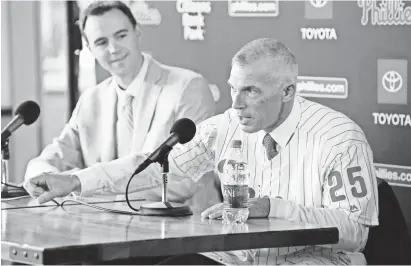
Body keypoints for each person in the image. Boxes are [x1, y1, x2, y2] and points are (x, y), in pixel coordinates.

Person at [24, 38, 379, 265]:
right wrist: (74, 181)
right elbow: (154, 166)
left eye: (251, 91)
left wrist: (274, 208)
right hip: (238, 257)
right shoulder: (225, 126)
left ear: (287, 91)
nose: (235, 104)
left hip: (310, 260)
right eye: (232, 89)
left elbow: (355, 232)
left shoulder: (339, 137)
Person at [24, 1, 218, 206]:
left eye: (121, 35)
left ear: (137, 32)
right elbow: (51, 158)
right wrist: (44, 178)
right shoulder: (91, 99)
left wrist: (81, 183)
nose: (113, 49)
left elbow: (184, 180)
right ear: (89, 48)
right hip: (109, 229)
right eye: (101, 42)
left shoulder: (188, 87)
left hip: (185, 229)